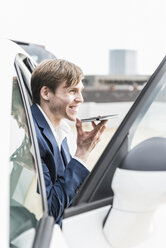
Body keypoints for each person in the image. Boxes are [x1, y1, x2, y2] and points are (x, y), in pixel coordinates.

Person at [30, 59, 107, 224]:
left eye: (81, 91)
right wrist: (82, 154)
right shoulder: (32, 136)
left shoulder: (63, 131)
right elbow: (49, 211)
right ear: (46, 93)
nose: (80, 99)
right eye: (72, 91)